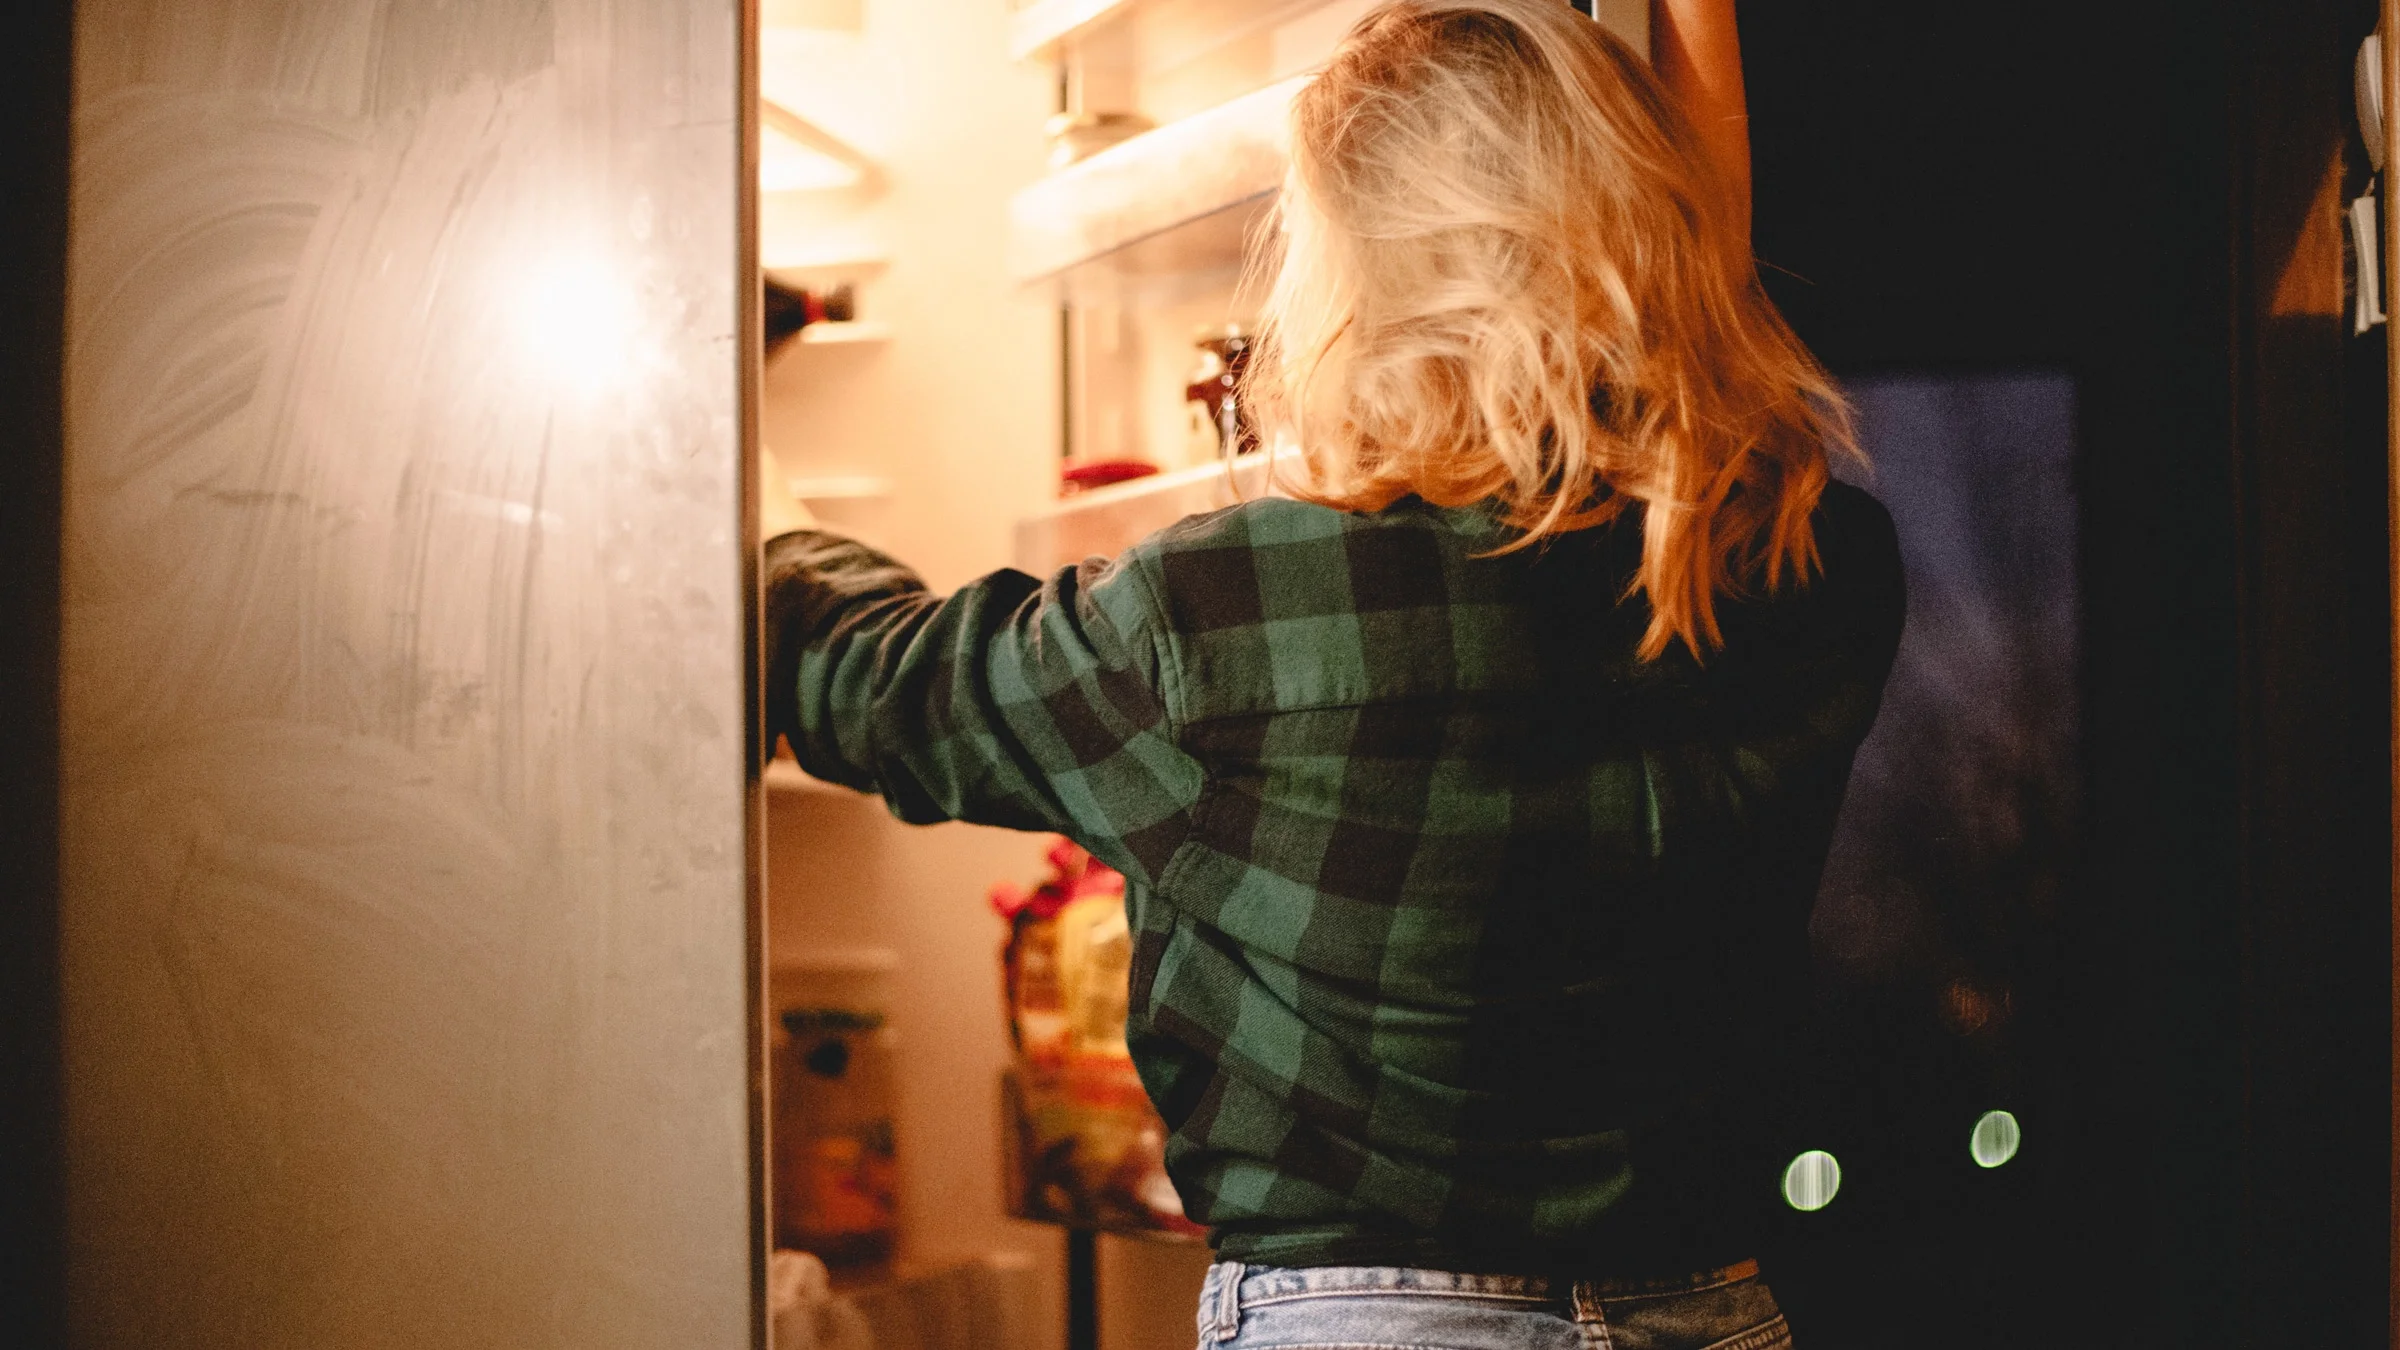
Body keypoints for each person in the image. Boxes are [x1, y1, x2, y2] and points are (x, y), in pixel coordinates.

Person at [760, 1, 1903, 1345]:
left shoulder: (1226, 612)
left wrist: (741, 477)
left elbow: (872, 685)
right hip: (1708, 1303)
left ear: (1359, 274)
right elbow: (1704, 379)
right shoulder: (1811, 570)